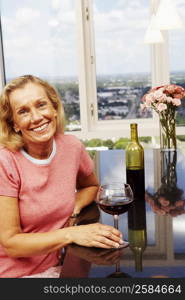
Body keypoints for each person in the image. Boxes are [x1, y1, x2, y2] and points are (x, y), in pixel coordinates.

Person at [0, 75, 124, 278]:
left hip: (59, 265)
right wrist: (71, 233)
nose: (36, 117)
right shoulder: (5, 162)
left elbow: (91, 186)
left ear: (54, 109)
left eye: (41, 105)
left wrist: (73, 207)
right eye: (23, 111)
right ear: (14, 124)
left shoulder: (71, 147)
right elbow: (12, 244)